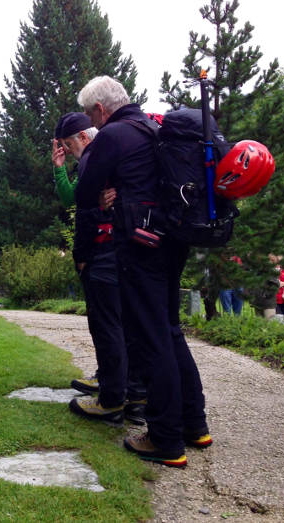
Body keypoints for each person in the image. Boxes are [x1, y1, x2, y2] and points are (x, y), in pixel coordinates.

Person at [74, 76, 211, 468]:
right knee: (170, 330)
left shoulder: (114, 135)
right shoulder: (153, 129)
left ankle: (165, 440)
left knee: (151, 339)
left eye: (89, 114)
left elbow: (85, 193)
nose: (91, 121)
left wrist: (104, 192)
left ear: (101, 109)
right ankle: (194, 425)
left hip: (139, 247)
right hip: (171, 240)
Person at [52, 112, 146, 426]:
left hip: (108, 250)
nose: (70, 150)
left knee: (110, 327)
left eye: (69, 144)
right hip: (118, 249)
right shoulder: (109, 156)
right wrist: (60, 170)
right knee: (123, 326)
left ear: (83, 137)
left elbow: (84, 206)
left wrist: (83, 253)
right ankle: (129, 394)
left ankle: (113, 397)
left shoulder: (100, 158)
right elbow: (76, 199)